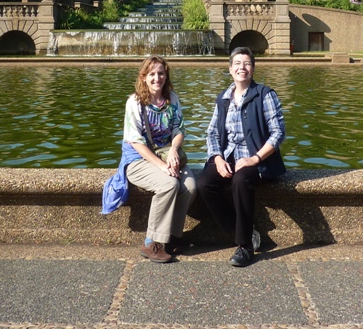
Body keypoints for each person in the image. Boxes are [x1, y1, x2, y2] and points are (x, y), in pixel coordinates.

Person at [197, 47, 287, 268]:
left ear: (253, 68)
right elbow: (212, 133)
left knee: (240, 179)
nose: (242, 68)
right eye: (237, 63)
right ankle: (243, 231)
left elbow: (278, 133)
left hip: (257, 160)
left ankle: (245, 246)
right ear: (230, 69)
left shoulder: (265, 95)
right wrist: (217, 158)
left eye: (246, 63)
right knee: (204, 183)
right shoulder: (223, 99)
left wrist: (254, 158)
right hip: (228, 156)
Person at [101, 56, 196, 263]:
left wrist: (174, 149)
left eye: (161, 73)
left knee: (190, 185)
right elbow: (135, 142)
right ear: (143, 77)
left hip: (166, 154)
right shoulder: (135, 102)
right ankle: (151, 242)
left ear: (166, 75)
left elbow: (179, 129)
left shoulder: (172, 99)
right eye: (152, 74)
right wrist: (162, 166)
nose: (157, 78)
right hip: (138, 160)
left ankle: (172, 238)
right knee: (169, 184)